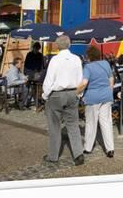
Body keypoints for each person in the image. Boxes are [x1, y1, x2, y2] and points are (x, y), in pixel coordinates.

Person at [42, 35, 84, 165]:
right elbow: (80, 78)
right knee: (73, 125)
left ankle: (53, 156)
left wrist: (45, 94)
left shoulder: (55, 60)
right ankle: (78, 154)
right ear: (69, 44)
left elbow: (49, 79)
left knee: (54, 127)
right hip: (72, 93)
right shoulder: (77, 59)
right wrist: (78, 95)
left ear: (57, 46)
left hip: (56, 94)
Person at [76, 46, 115, 158]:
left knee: (91, 123)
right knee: (106, 122)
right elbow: (111, 79)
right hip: (106, 97)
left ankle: (88, 148)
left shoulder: (87, 67)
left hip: (93, 98)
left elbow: (84, 83)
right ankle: (110, 149)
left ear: (89, 56)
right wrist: (109, 91)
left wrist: (75, 93)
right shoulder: (106, 64)